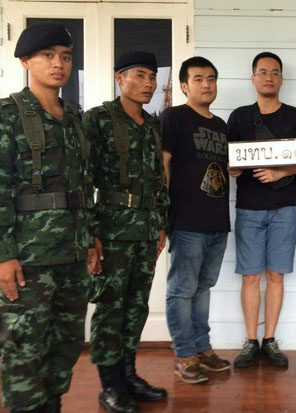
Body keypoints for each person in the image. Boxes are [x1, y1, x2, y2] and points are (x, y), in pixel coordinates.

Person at [0, 22, 98, 412]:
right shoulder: (8, 116)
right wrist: (4, 253)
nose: (58, 63)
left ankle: (51, 405)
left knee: (66, 344)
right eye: (47, 56)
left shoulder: (74, 119)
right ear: (26, 61)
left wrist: (90, 238)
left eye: (66, 56)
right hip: (29, 258)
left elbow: (82, 184)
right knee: (24, 347)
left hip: (73, 254)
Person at [84, 51, 169, 412]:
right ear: (120, 78)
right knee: (110, 309)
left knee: (136, 307)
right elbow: (82, 179)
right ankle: (110, 385)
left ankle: (129, 375)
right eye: (140, 75)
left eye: (152, 76)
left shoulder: (152, 125)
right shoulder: (98, 120)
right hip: (112, 232)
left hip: (146, 231)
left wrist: (161, 223)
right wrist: (91, 234)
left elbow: (158, 180)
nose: (149, 83)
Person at [227, 51, 296, 369]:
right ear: (253, 78)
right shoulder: (239, 117)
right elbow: (231, 161)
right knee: (250, 277)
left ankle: (270, 340)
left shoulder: (294, 116)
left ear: (281, 79)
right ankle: (251, 341)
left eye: (275, 72)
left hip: (284, 208)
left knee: (275, 276)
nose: (269, 77)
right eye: (262, 72)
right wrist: (234, 169)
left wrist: (280, 172)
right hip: (248, 207)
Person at [161, 56, 231, 384]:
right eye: (199, 78)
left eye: (212, 78)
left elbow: (228, 168)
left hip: (218, 220)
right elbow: (164, 163)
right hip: (186, 219)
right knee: (182, 289)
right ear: (184, 85)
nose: (207, 84)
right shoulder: (174, 117)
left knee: (204, 288)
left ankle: (203, 348)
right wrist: (162, 212)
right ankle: (185, 353)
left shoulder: (221, 126)